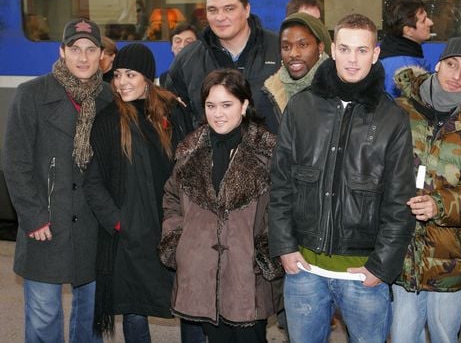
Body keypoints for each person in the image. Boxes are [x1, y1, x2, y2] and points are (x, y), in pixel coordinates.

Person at [268, 13, 417, 343]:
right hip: (303, 269)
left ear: (375, 54)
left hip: (363, 274)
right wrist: (284, 246)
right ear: (332, 50)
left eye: (362, 50)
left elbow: (399, 201)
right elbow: (280, 184)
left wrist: (381, 267)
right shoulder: (301, 108)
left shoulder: (392, 119)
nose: (352, 59)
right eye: (346, 49)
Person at [2, 18, 112, 343]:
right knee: (44, 317)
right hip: (45, 224)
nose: (83, 57)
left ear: (101, 55)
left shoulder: (107, 99)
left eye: (90, 49)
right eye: (75, 48)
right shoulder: (31, 95)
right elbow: (16, 162)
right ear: (62, 51)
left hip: (92, 226)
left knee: (89, 318)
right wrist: (34, 217)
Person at [390, 37, 461, 343]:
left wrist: (438, 205)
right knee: (402, 334)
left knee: (444, 333)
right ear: (438, 64)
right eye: (451, 64)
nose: (457, 75)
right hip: (402, 251)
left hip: (451, 256)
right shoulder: (398, 110)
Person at [160, 68, 281, 343]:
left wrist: (264, 250)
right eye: (211, 105)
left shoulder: (268, 152)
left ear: (245, 104)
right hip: (201, 270)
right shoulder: (189, 151)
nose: (218, 114)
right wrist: (178, 240)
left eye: (227, 105)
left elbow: (283, 206)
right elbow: (171, 198)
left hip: (248, 274)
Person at [84, 43, 190, 342]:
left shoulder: (173, 112)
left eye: (130, 74)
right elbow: (93, 182)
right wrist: (118, 222)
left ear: (147, 77)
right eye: (117, 75)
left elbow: (191, 167)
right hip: (132, 231)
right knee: (133, 307)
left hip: (175, 227)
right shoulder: (107, 121)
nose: (121, 82)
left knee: (191, 303)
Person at [165, 0, 280, 133]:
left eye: (229, 9)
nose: (220, 17)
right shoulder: (188, 59)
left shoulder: (280, 50)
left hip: (273, 155)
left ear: (246, 10)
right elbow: (176, 116)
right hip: (211, 155)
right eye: (212, 10)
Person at [263, 12, 331, 121]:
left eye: (303, 45)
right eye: (286, 47)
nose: (293, 54)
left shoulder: (338, 91)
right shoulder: (269, 94)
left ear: (320, 47)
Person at [379, 0, 434, 97]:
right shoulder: (404, 67)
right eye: (423, 20)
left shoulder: (395, 50)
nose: (430, 23)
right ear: (408, 31)